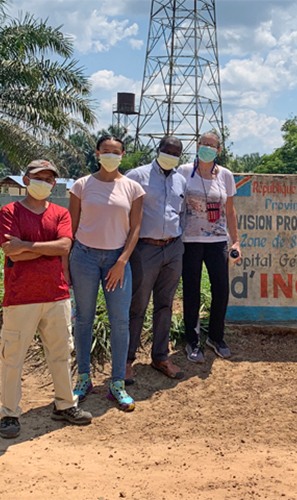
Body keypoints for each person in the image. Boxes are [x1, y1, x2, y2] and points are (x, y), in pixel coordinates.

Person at [0, 160, 92, 438]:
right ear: (26, 180)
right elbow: (11, 253)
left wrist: (26, 246)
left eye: (49, 178)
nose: (45, 182)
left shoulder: (61, 213)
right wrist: (45, 250)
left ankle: (64, 404)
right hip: (20, 297)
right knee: (13, 357)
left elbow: (64, 245)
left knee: (61, 354)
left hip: (57, 294)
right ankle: (10, 414)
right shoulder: (9, 211)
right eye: (39, 177)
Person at [68, 136, 145, 411]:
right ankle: (84, 378)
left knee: (120, 322)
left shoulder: (133, 189)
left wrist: (122, 261)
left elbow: (135, 229)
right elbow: (71, 227)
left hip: (117, 260)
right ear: (97, 153)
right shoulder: (81, 186)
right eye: (105, 151)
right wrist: (67, 264)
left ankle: (117, 383)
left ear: (123, 154)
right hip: (84, 258)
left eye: (116, 151)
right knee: (84, 320)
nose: (110, 155)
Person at [124, 136, 186, 383]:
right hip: (144, 249)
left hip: (173, 249)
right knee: (137, 305)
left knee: (165, 305)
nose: (170, 156)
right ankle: (127, 361)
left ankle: (160, 356)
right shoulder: (136, 176)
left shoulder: (181, 180)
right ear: (158, 150)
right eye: (167, 151)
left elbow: (182, 214)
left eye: (176, 153)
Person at [178, 130, 241, 363]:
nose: (207, 147)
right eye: (203, 144)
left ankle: (216, 337)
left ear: (219, 150)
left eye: (212, 145)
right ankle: (192, 341)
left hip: (217, 242)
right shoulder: (184, 172)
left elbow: (230, 211)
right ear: (197, 145)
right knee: (191, 291)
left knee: (221, 290)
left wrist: (235, 241)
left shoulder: (225, 175)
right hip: (190, 241)